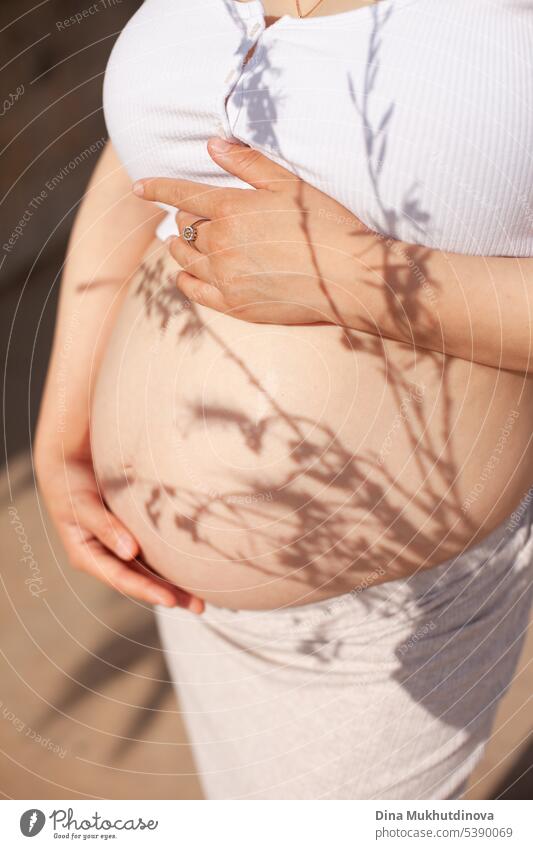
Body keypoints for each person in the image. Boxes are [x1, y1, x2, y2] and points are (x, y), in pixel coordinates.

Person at [36, 0, 533, 798]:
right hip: (185, 578)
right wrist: (64, 429)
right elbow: (147, 157)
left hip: (391, 610)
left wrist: (363, 282)